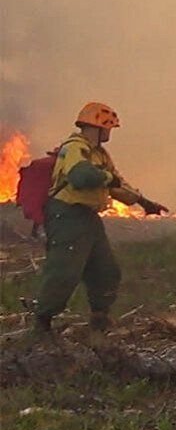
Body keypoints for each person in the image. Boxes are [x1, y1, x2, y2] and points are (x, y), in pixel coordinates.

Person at [32, 102, 168, 334]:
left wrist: (145, 203)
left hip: (88, 217)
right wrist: (107, 178)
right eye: (108, 128)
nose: (109, 133)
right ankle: (42, 323)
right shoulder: (75, 147)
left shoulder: (100, 155)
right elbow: (80, 176)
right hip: (67, 215)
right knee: (64, 271)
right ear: (98, 126)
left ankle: (99, 318)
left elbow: (118, 184)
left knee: (106, 270)